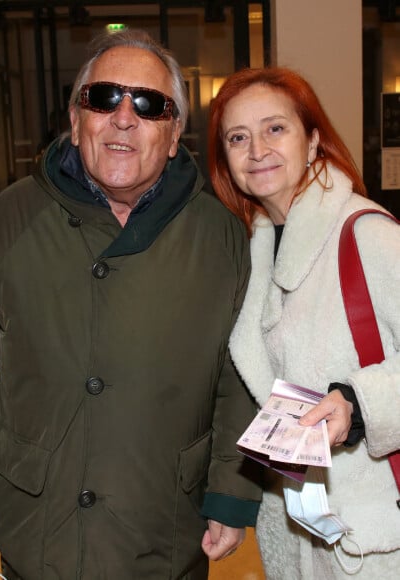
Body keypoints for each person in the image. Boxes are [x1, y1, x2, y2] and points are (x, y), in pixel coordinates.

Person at [0, 28, 261, 580]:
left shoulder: (222, 238)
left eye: (150, 105)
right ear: (76, 119)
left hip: (164, 532)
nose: (124, 117)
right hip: (36, 527)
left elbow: (240, 377)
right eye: (104, 98)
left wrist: (231, 488)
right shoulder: (7, 222)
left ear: (175, 135)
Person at [208, 66, 400, 578]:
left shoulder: (366, 234)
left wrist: (360, 404)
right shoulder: (257, 250)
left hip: (375, 542)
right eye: (238, 137)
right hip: (300, 535)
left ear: (313, 141)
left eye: (275, 128)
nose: (257, 150)